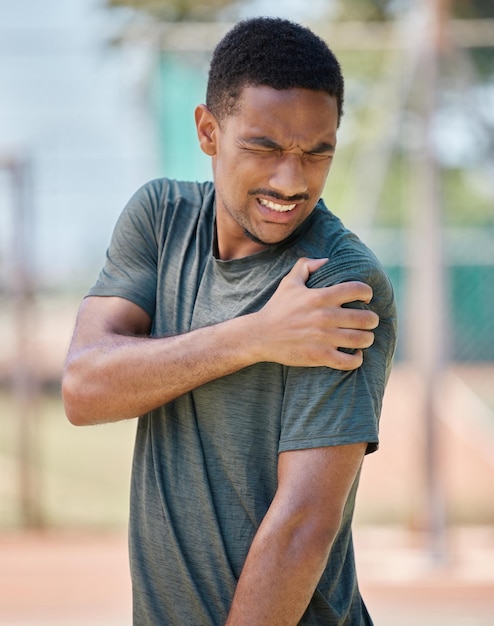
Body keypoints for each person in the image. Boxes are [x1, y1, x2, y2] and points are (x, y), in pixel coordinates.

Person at [62, 16, 397, 626]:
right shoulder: (160, 220)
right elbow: (84, 390)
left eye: (316, 153)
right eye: (265, 148)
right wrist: (253, 336)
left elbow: (302, 526)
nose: (290, 181)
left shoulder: (339, 285)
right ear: (208, 131)